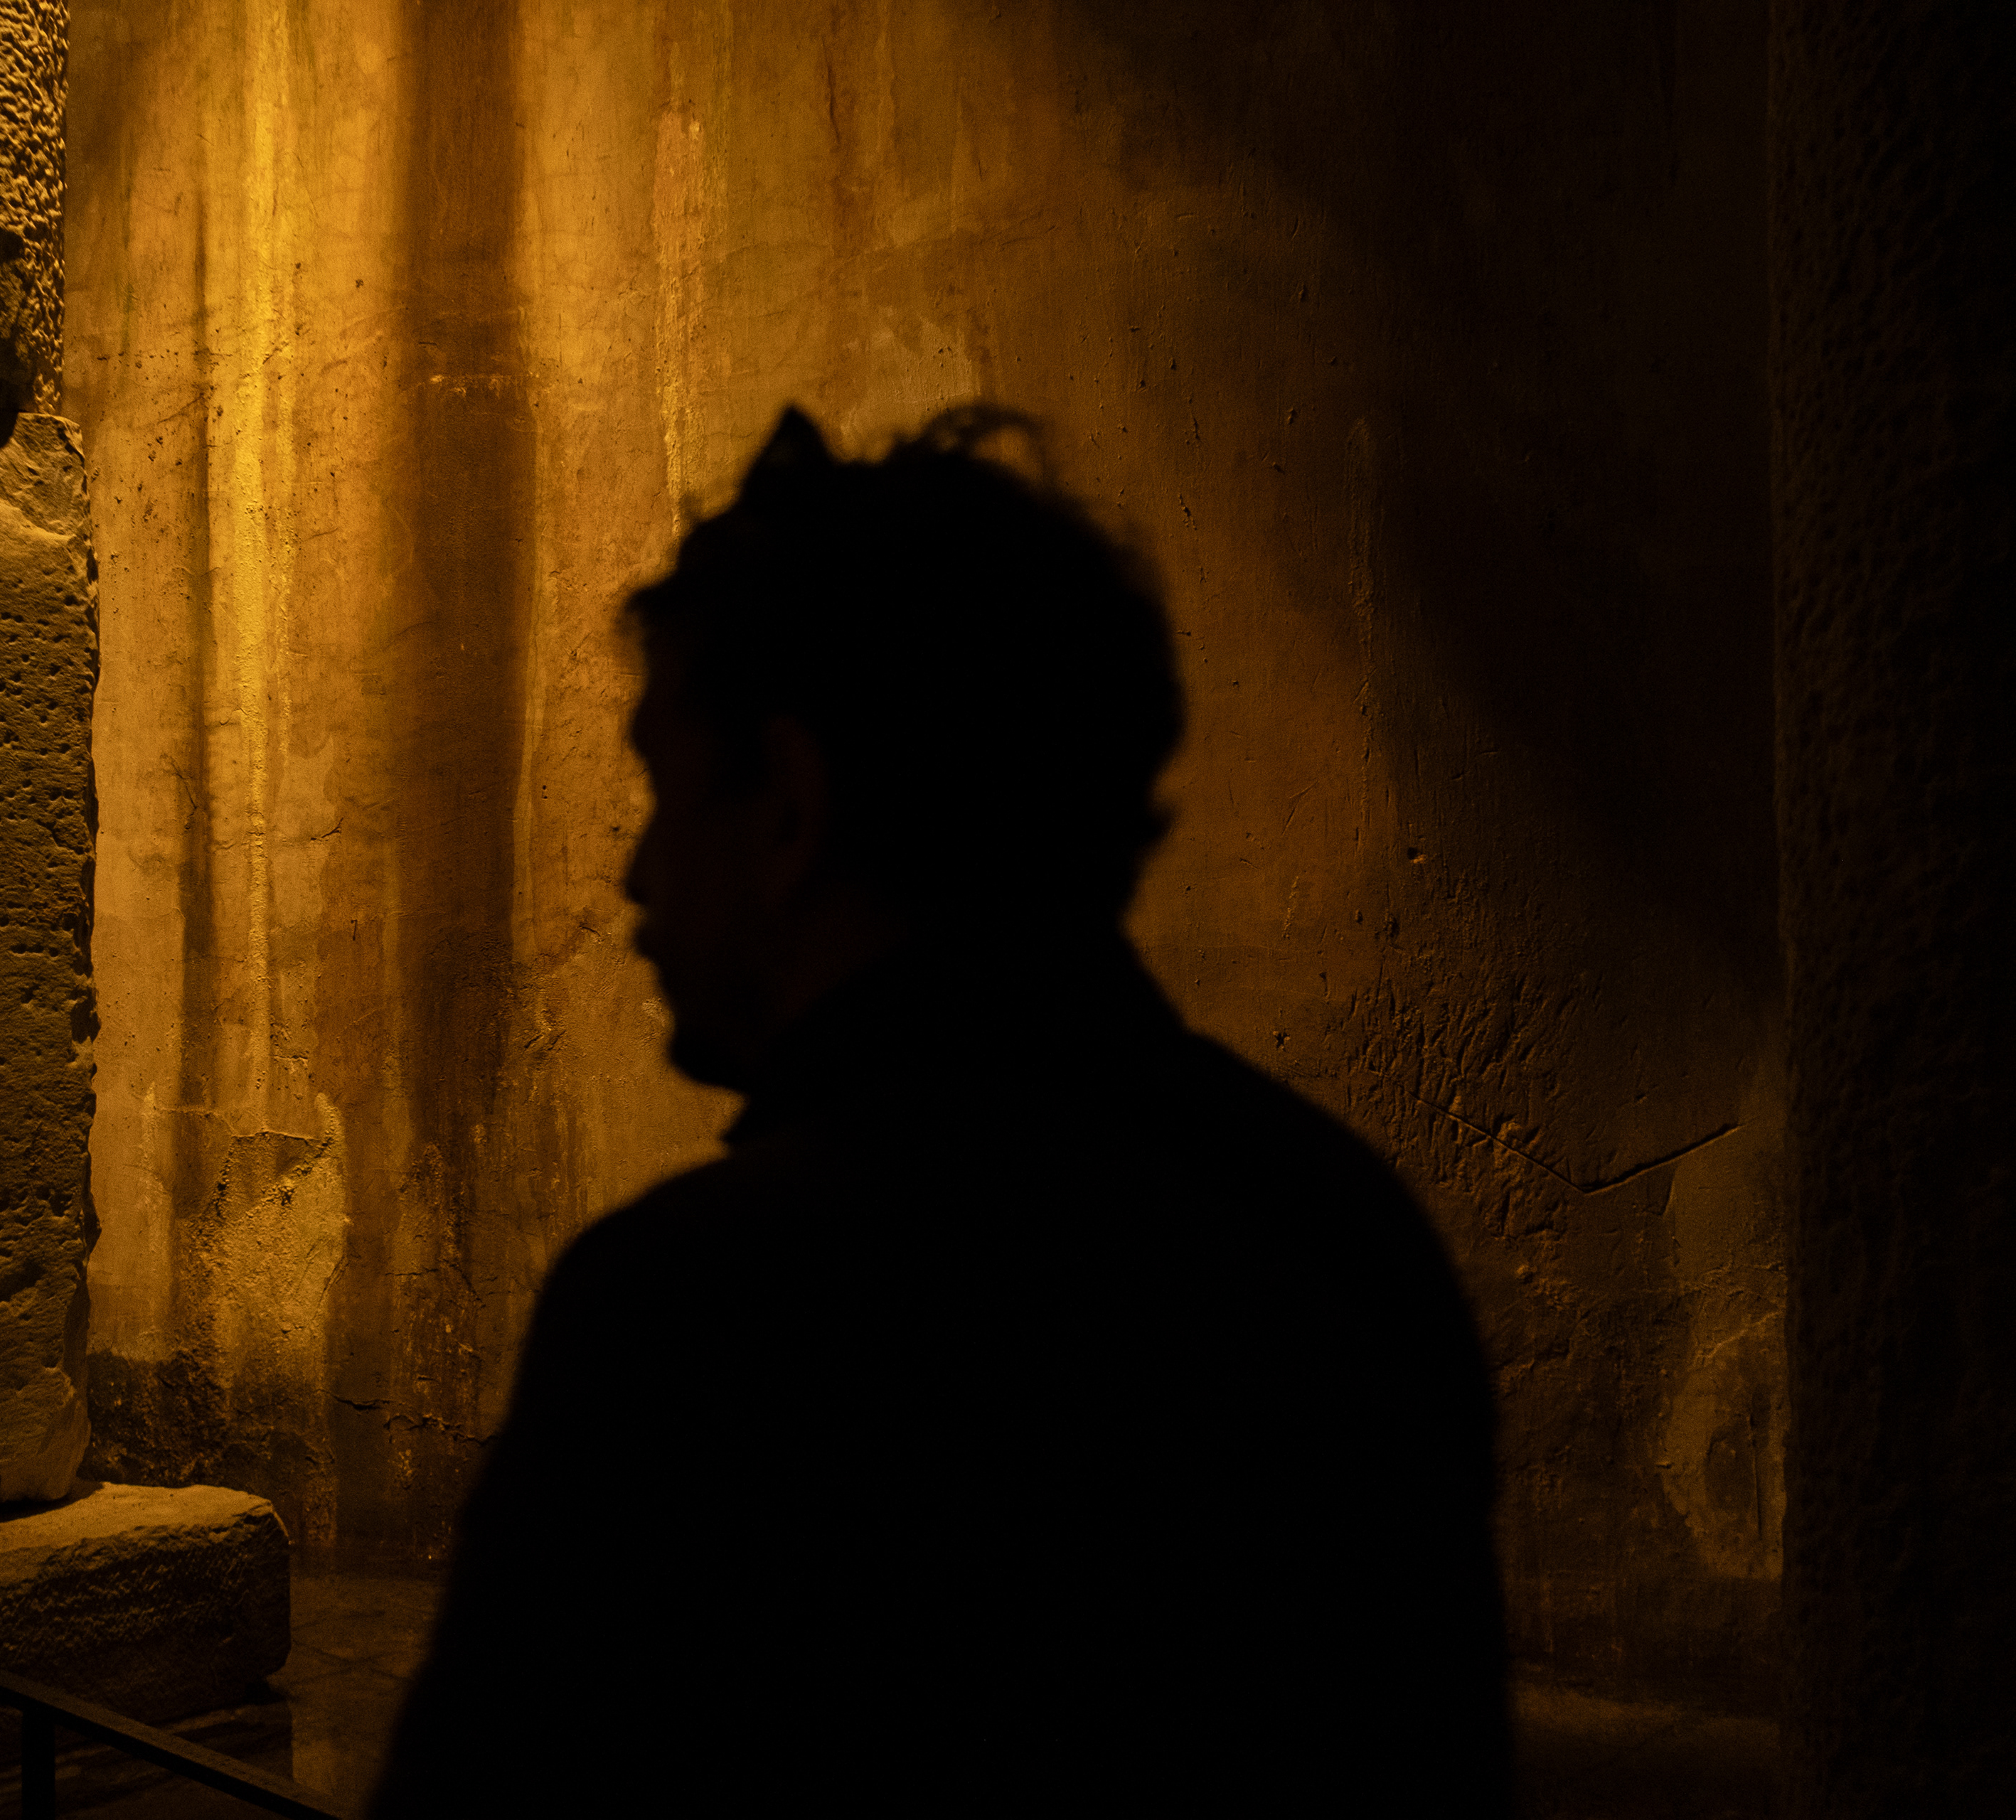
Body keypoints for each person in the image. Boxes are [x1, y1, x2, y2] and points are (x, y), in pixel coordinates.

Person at [368, 407, 1512, 1816]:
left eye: (661, 791)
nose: (636, 875)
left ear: (789, 808)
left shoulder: (702, 1315)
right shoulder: (1341, 1226)